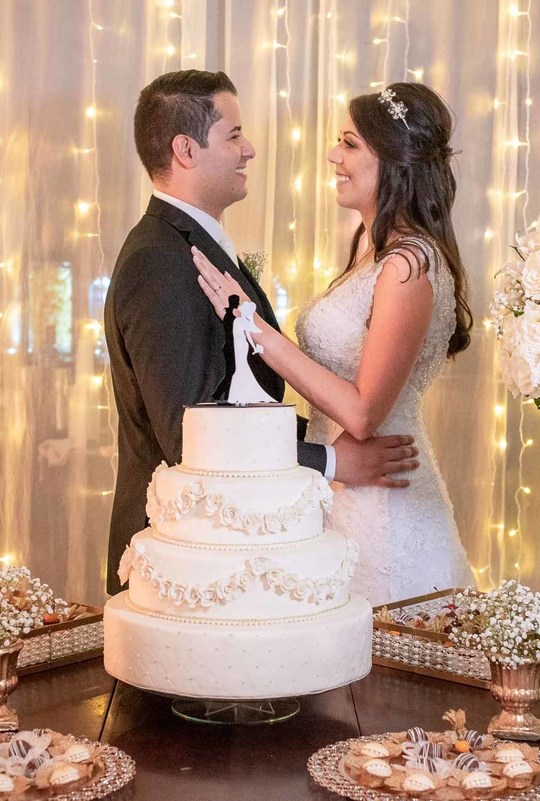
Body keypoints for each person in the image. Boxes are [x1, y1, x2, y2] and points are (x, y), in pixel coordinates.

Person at [104, 70, 421, 596]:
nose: (249, 149)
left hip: (234, 553)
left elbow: (235, 403)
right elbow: (191, 436)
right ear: (186, 149)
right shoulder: (159, 262)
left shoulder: (191, 247)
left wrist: (320, 444)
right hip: (186, 572)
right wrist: (333, 460)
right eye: (234, 135)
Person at [192, 83, 475, 603]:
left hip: (383, 510)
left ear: (392, 161)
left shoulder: (409, 266)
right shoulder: (374, 251)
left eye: (349, 144)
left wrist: (255, 330)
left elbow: (364, 414)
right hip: (342, 492)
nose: (333, 156)